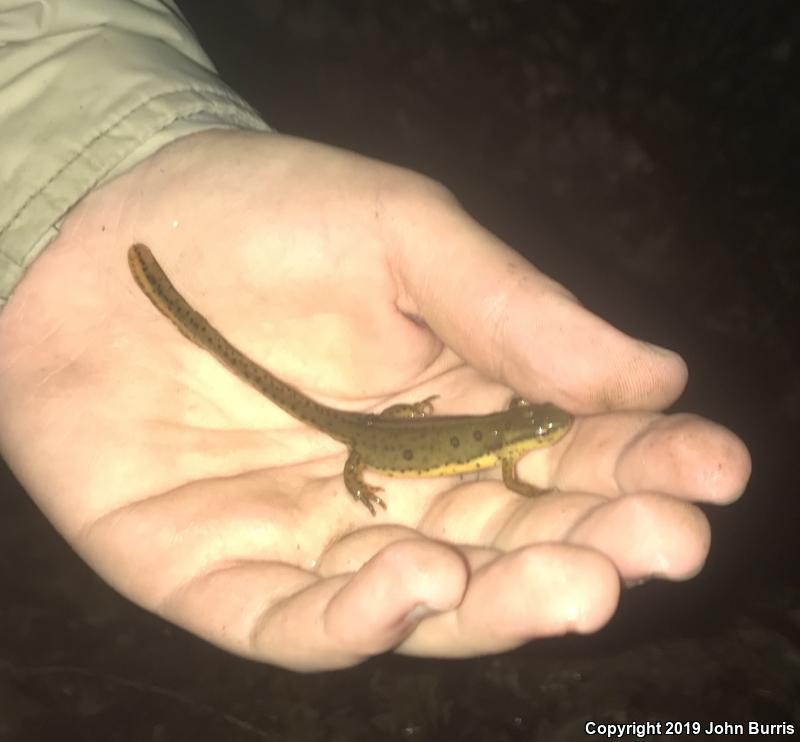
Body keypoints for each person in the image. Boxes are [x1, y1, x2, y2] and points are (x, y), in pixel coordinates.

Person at [0, 1, 750, 671]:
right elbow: (512, 472)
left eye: (544, 427)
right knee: (270, 382)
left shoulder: (507, 434)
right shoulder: (509, 448)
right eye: (541, 426)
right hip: (370, 437)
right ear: (522, 432)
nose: (545, 431)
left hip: (376, 434)